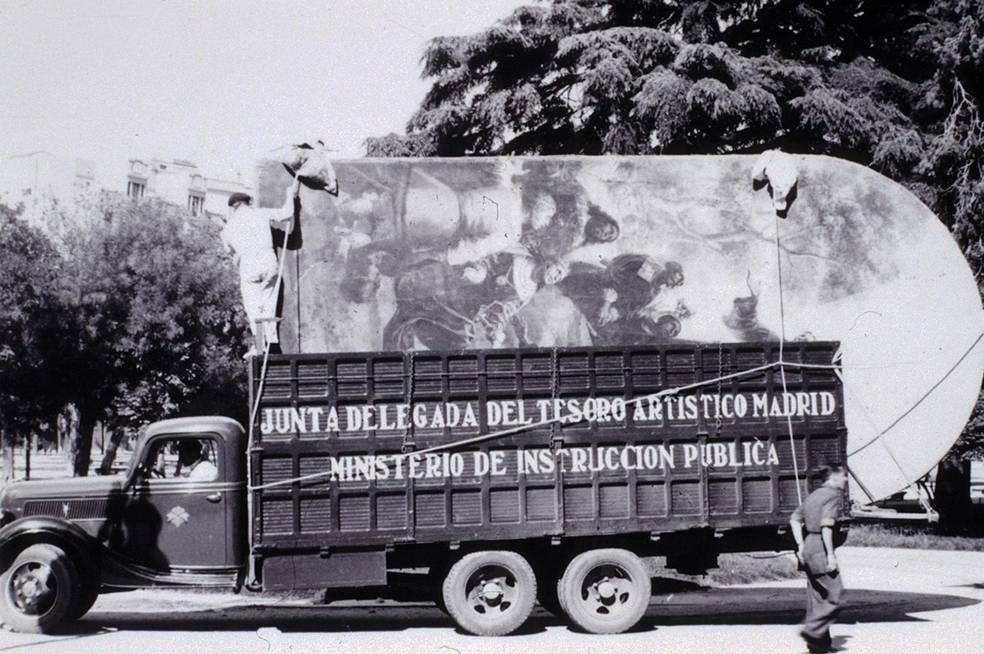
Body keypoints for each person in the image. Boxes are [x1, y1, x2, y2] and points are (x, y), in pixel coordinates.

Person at [221, 176, 301, 355]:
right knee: (267, 305)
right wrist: (291, 195)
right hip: (268, 262)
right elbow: (286, 213)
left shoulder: (228, 228)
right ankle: (270, 341)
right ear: (247, 202)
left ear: (233, 207)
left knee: (253, 308)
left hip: (248, 266)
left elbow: (229, 252)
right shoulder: (259, 213)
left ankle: (260, 345)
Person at [789, 464, 848, 653]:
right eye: (843, 477)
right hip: (820, 547)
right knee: (836, 595)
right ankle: (812, 631)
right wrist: (830, 555)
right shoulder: (833, 496)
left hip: (808, 546)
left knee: (817, 597)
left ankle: (818, 645)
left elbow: (794, 519)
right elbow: (826, 527)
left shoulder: (813, 496)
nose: (845, 480)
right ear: (834, 479)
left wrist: (800, 545)